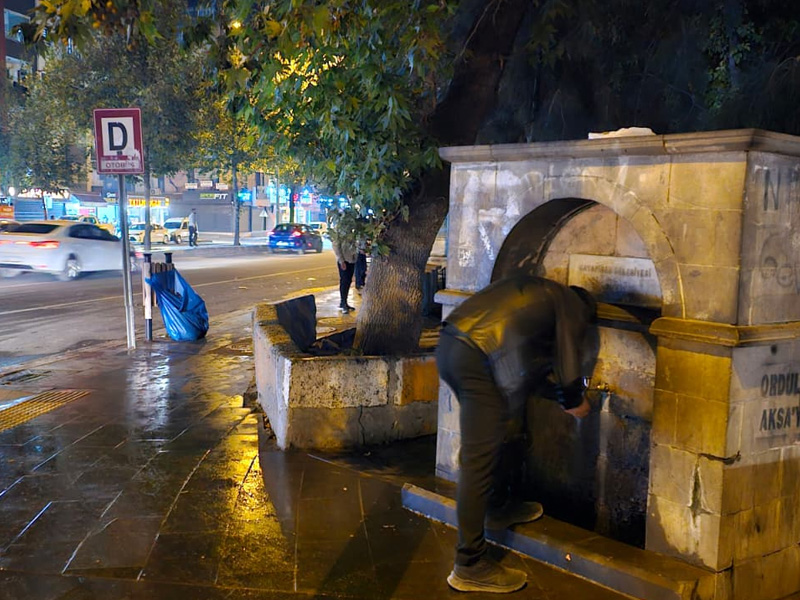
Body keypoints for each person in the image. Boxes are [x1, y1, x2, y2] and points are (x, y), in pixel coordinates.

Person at [436, 275, 598, 594]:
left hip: (452, 345)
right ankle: (469, 564)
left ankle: (496, 507)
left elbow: (531, 372)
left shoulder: (535, 292)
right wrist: (573, 400)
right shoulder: (570, 304)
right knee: (477, 460)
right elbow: (568, 363)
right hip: (477, 359)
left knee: (501, 432)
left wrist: (557, 396)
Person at [332, 232, 357, 313]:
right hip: (344, 260)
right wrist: (341, 261)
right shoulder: (340, 231)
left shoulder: (353, 231)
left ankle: (344, 301)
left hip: (351, 259)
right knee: (344, 281)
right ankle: (343, 302)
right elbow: (336, 247)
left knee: (348, 281)